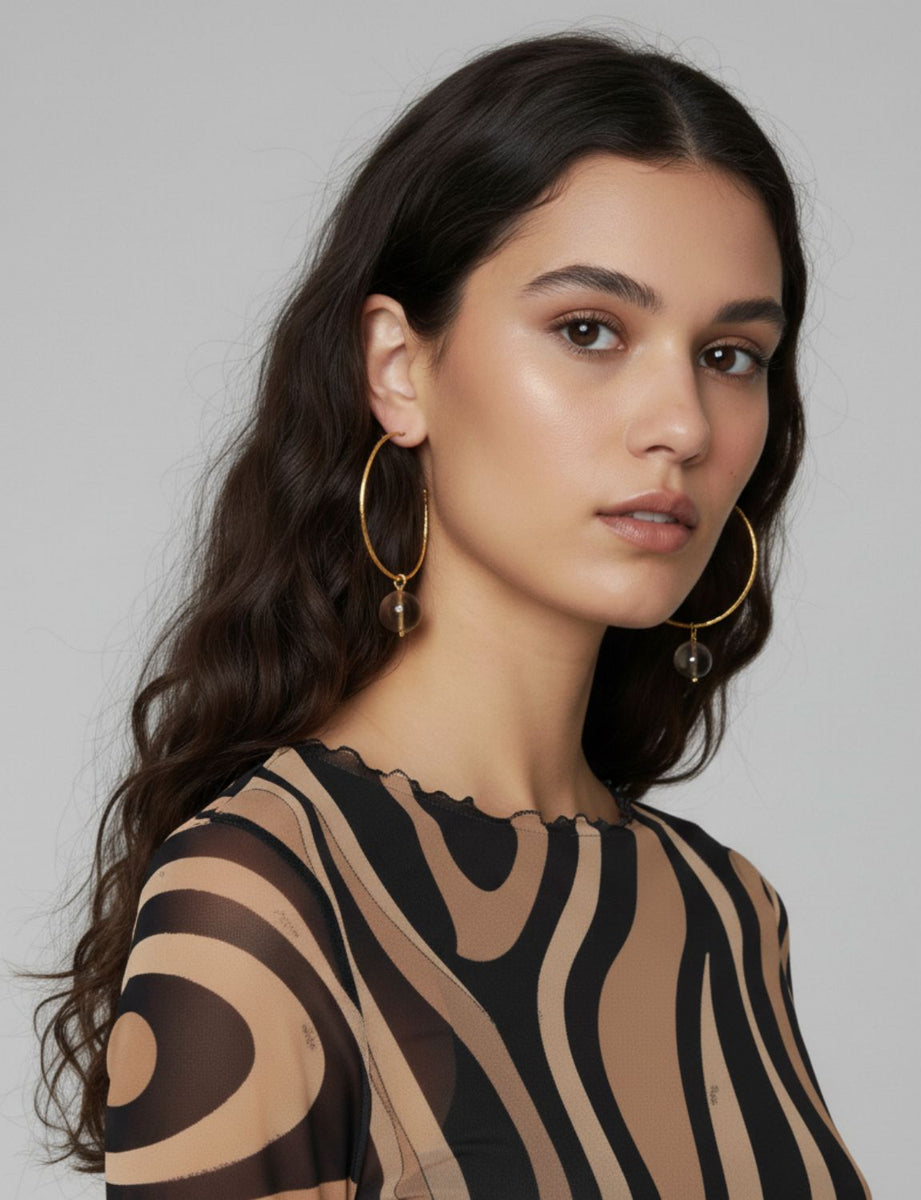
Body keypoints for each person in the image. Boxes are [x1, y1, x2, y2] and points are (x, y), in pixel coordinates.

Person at [26, 27, 872, 1199]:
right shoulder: (262, 898)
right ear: (398, 368)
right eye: (591, 331)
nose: (682, 421)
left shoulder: (723, 914)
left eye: (731, 353)